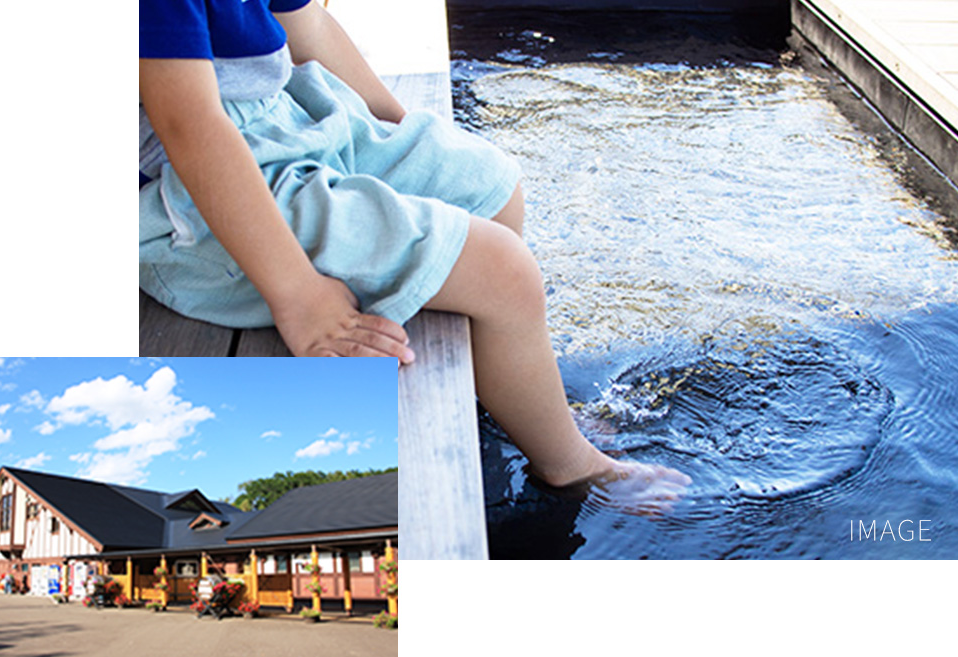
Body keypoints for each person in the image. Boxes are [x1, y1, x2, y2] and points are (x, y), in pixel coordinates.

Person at [139, 0, 690, 511]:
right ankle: (569, 467)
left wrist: (396, 131)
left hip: (280, 120)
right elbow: (190, 126)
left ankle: (516, 397)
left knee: (493, 186)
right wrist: (299, 293)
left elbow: (308, 27)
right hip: (195, 191)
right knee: (504, 273)